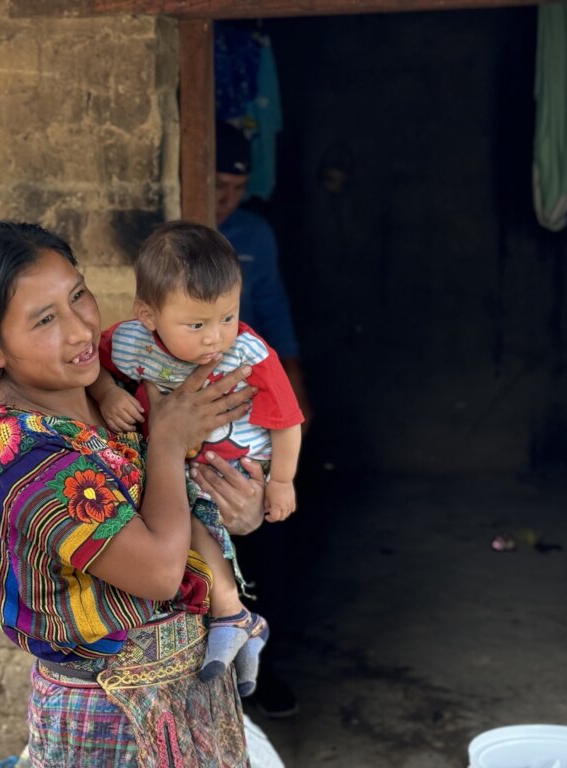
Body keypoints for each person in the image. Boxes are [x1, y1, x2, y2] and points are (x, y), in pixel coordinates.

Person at [0, 221, 271, 766]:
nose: (80, 330)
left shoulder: (112, 386)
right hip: (109, 719)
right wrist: (166, 440)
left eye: (78, 296)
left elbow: (182, 503)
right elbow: (160, 571)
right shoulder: (22, 458)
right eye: (45, 320)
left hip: (189, 692)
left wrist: (242, 507)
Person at [89, 221, 303, 695]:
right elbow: (97, 368)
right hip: (181, 474)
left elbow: (287, 421)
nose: (216, 339)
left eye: (228, 317)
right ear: (148, 314)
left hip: (243, 469)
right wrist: (106, 395)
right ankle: (233, 618)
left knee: (221, 532)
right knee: (186, 521)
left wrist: (282, 483)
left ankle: (236, 619)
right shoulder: (130, 343)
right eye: (197, 325)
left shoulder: (247, 354)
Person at [216, 120, 309, 719]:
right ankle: (215, 684)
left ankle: (261, 673)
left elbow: (272, 306)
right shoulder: (181, 240)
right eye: (217, 184)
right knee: (206, 541)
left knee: (264, 535)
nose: (226, 198)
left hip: (250, 417)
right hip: (193, 413)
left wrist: (297, 391)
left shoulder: (252, 232)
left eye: (236, 186)